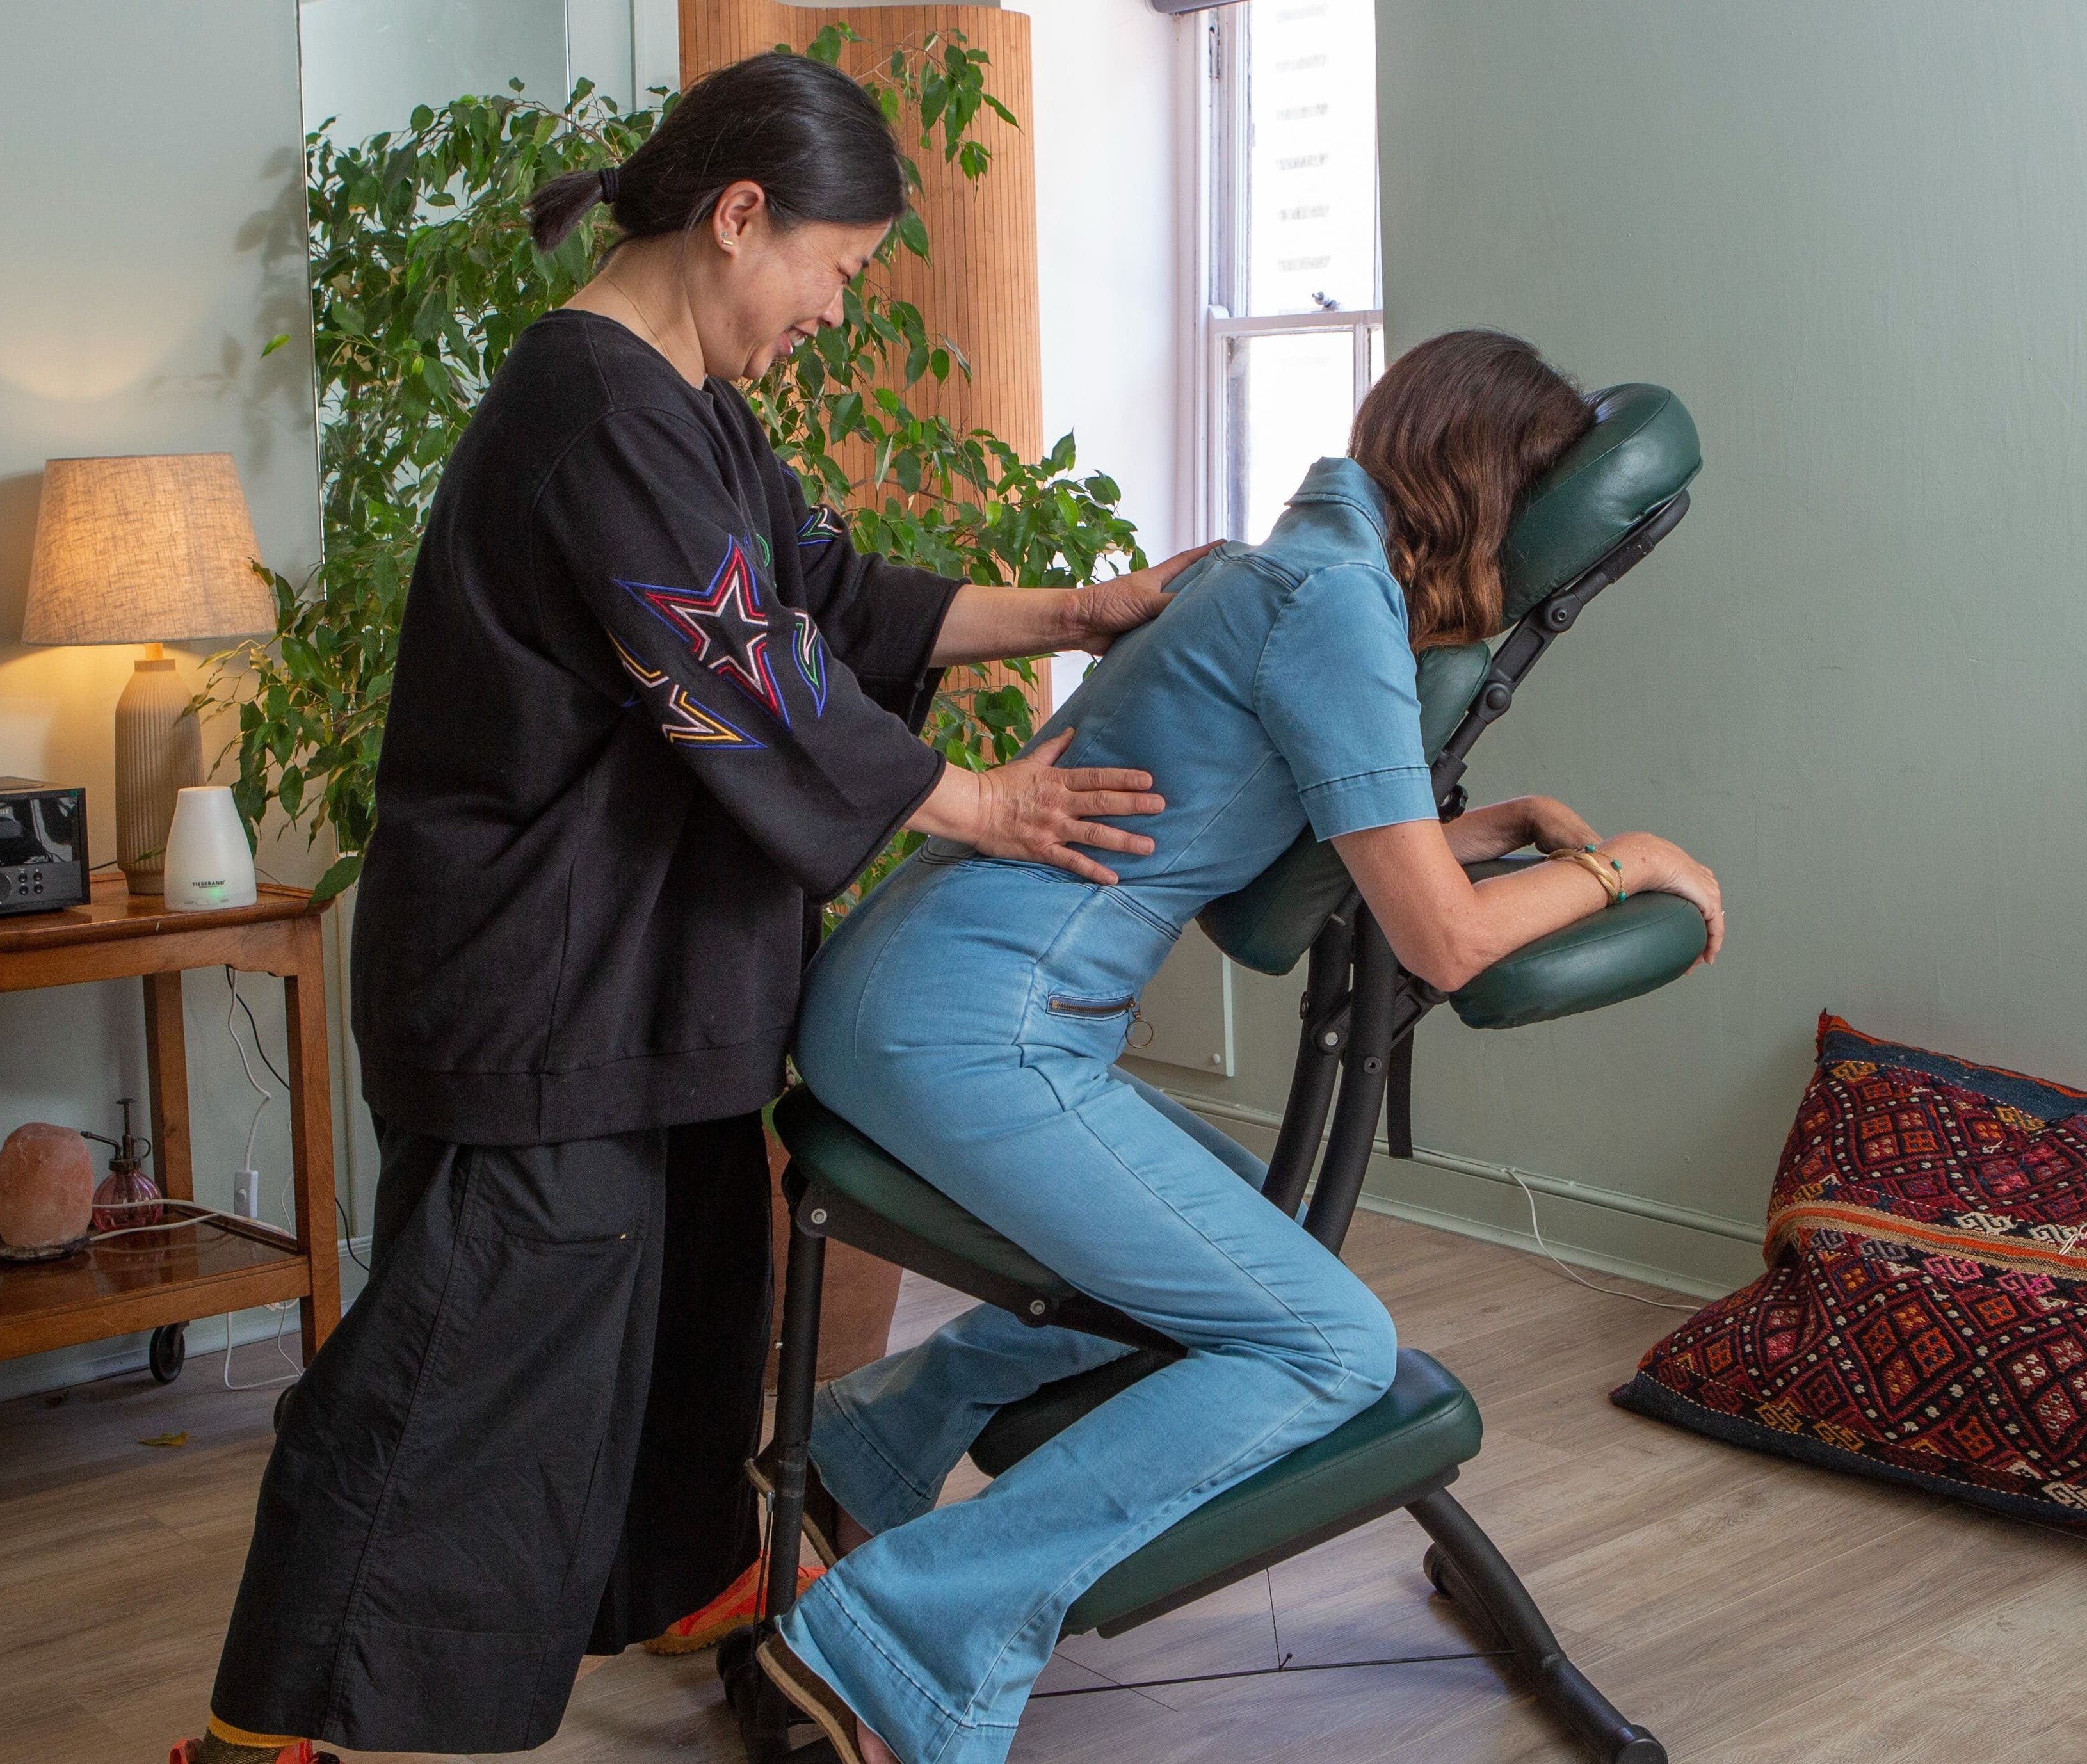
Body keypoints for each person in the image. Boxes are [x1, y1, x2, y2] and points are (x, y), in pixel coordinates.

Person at [175, 51, 1206, 1764]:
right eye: (835, 269)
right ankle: (257, 1732)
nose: (830, 309)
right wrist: (980, 803)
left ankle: (692, 1590)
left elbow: (818, 595)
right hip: (543, 985)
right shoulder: (589, 412)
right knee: (455, 1364)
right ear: (740, 219)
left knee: (686, 1322)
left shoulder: (689, 406)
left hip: (654, 980)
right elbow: (740, 678)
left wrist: (1071, 614)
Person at [754, 330, 1727, 1764]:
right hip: (978, 1027)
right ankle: (898, 1629)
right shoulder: (1334, 609)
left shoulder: (1282, 570)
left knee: (1242, 1248)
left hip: (915, 992)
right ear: (1487, 494)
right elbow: (1446, 943)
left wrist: (1477, 827)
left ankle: (872, 1446)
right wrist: (1623, 865)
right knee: (1329, 1339)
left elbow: (1262, 863)